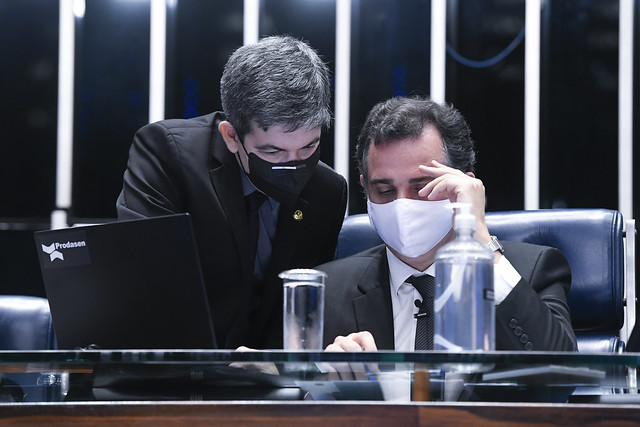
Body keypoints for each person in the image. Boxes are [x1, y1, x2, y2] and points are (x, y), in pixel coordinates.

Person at [116, 36, 347, 349]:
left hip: (272, 372)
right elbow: (148, 282)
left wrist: (270, 366)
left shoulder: (327, 192)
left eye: (309, 147)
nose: (294, 165)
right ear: (231, 136)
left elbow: (306, 310)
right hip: (177, 362)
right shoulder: (168, 156)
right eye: (273, 152)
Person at [318, 95, 577, 352]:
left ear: (463, 186)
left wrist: (483, 243)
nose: (402, 205)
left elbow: (560, 371)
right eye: (385, 190)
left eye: (422, 188)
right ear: (365, 188)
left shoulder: (531, 271)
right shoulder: (327, 290)